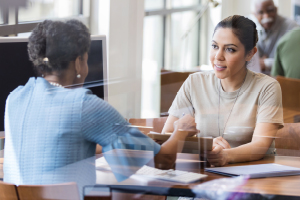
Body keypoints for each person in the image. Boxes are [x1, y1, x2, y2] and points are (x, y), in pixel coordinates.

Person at [3, 19, 197, 197]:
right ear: (78, 63)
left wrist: (105, 144)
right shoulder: (83, 105)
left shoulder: (15, 98)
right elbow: (161, 161)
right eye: (86, 59)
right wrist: (180, 132)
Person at [162, 15, 283, 167]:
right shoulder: (194, 82)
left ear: (250, 53)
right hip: (204, 173)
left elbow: (260, 145)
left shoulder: (267, 87)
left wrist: (226, 155)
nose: (218, 56)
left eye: (230, 49)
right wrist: (206, 145)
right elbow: (167, 136)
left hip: (253, 176)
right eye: (214, 46)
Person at [250, 0, 298, 72]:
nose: (266, 16)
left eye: (270, 11)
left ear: (276, 9)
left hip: (282, 80)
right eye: (261, 12)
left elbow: (293, 61)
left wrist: (267, 64)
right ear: (254, 14)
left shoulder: (291, 27)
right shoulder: (249, 27)